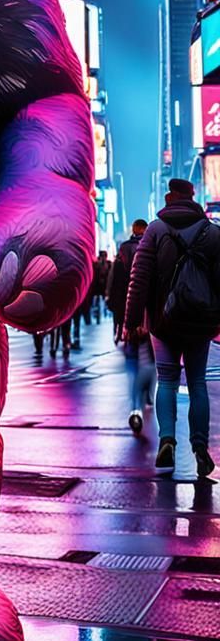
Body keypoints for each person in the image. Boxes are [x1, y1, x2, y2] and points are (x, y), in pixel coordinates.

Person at [125, 180, 218, 477]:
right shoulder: (213, 233)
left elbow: (138, 280)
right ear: (193, 198)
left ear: (169, 198)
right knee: (197, 383)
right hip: (200, 321)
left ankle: (167, 440)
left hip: (163, 321)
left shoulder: (155, 230)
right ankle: (200, 448)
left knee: (166, 380)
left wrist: (131, 322)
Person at [108, 221, 147, 343]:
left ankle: (124, 332)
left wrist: (109, 292)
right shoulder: (148, 245)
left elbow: (115, 272)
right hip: (143, 288)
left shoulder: (124, 247)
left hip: (123, 289)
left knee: (124, 312)